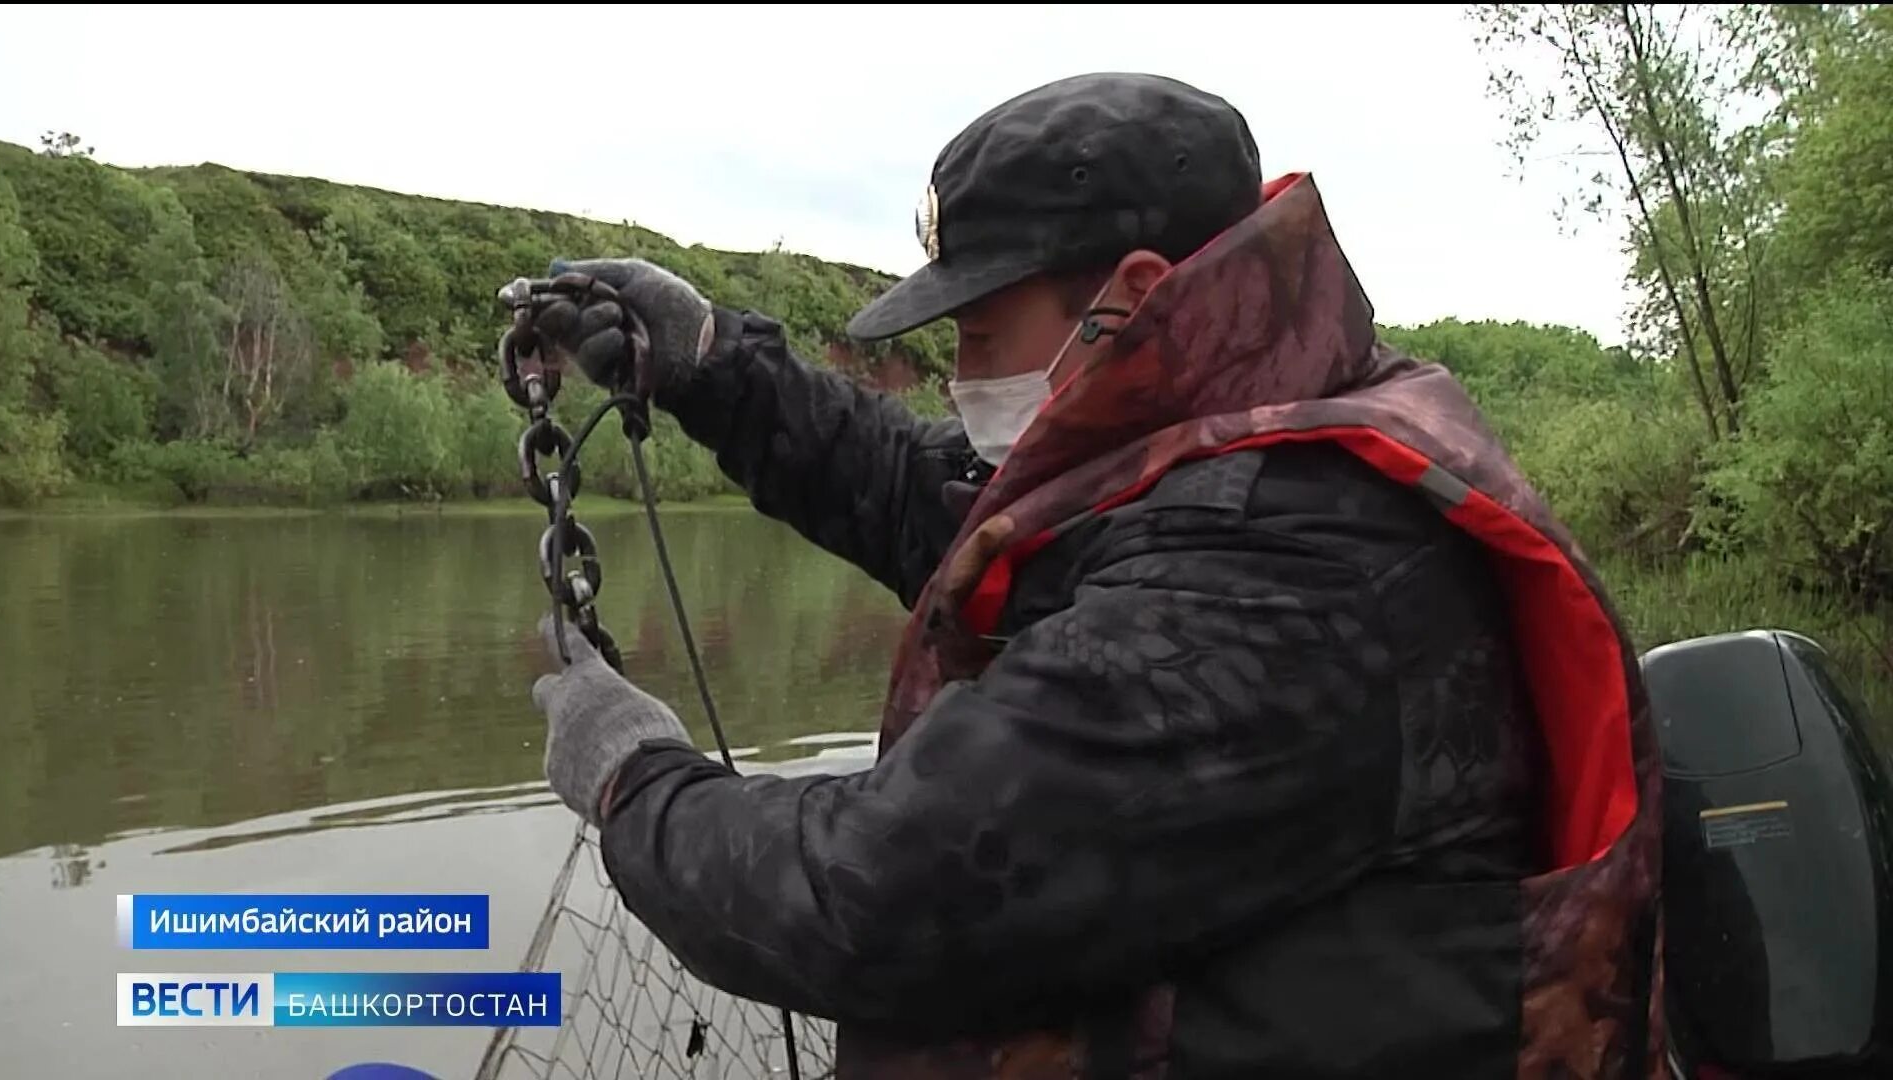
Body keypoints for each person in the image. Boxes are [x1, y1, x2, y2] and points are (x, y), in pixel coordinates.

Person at [523, 72, 1665, 1079]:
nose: (955, 369)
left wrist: (634, 780)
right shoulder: (1248, 420)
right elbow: (941, 501)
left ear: (1128, 295)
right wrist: (719, 369)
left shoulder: (1281, 569)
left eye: (977, 330)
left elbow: (878, 901)